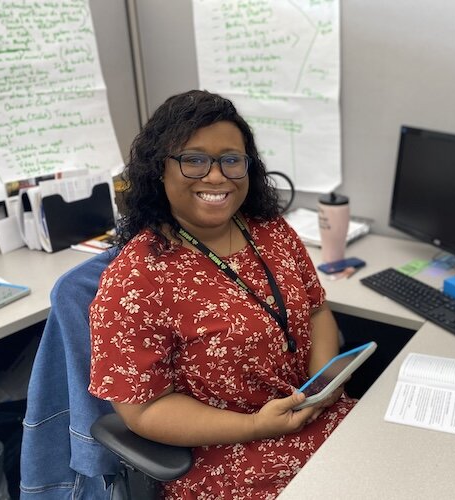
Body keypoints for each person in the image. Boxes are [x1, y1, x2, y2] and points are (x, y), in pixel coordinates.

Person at [88, 89, 356, 498]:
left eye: (231, 159)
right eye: (194, 160)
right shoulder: (135, 281)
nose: (216, 177)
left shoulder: (271, 231)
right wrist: (256, 426)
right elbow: (142, 410)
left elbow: (317, 310)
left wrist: (322, 384)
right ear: (159, 169)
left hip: (320, 419)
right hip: (230, 458)